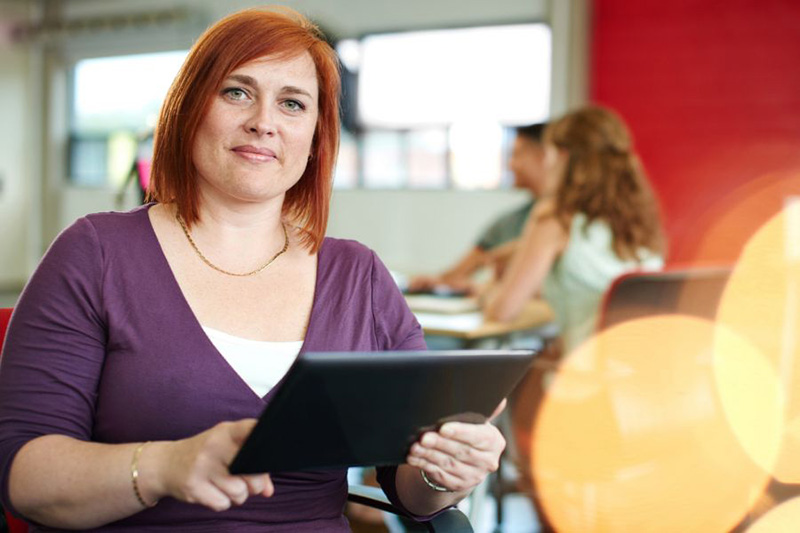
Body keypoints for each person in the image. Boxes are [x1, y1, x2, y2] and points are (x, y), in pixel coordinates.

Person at [0, 8, 505, 532]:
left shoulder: (360, 276)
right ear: (190, 105)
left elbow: (410, 490)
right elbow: (24, 477)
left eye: (292, 103)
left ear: (315, 137)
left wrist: (447, 472)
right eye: (237, 92)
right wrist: (163, 467)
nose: (264, 121)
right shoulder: (96, 253)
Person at [484, 106, 665, 353]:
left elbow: (503, 312)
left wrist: (486, 294)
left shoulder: (555, 219)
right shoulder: (638, 224)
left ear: (562, 156)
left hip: (585, 383)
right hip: (648, 378)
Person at [407, 123, 547, 295]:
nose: (511, 165)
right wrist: (437, 282)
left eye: (517, 155)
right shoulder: (508, 222)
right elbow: (461, 271)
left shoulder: (567, 222)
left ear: (546, 156)